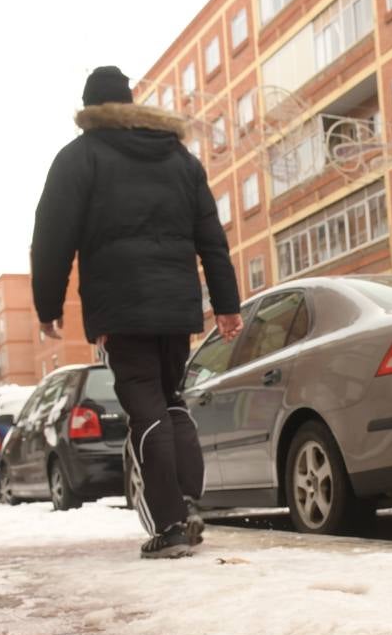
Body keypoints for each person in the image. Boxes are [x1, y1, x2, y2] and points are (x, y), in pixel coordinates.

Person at [31, 66, 241, 559]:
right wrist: (226, 305)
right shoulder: (180, 160)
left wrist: (48, 305)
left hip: (121, 308)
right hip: (176, 306)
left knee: (143, 402)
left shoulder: (78, 159)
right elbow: (212, 237)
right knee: (170, 397)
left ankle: (170, 523)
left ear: (90, 112)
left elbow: (51, 238)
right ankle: (187, 499)